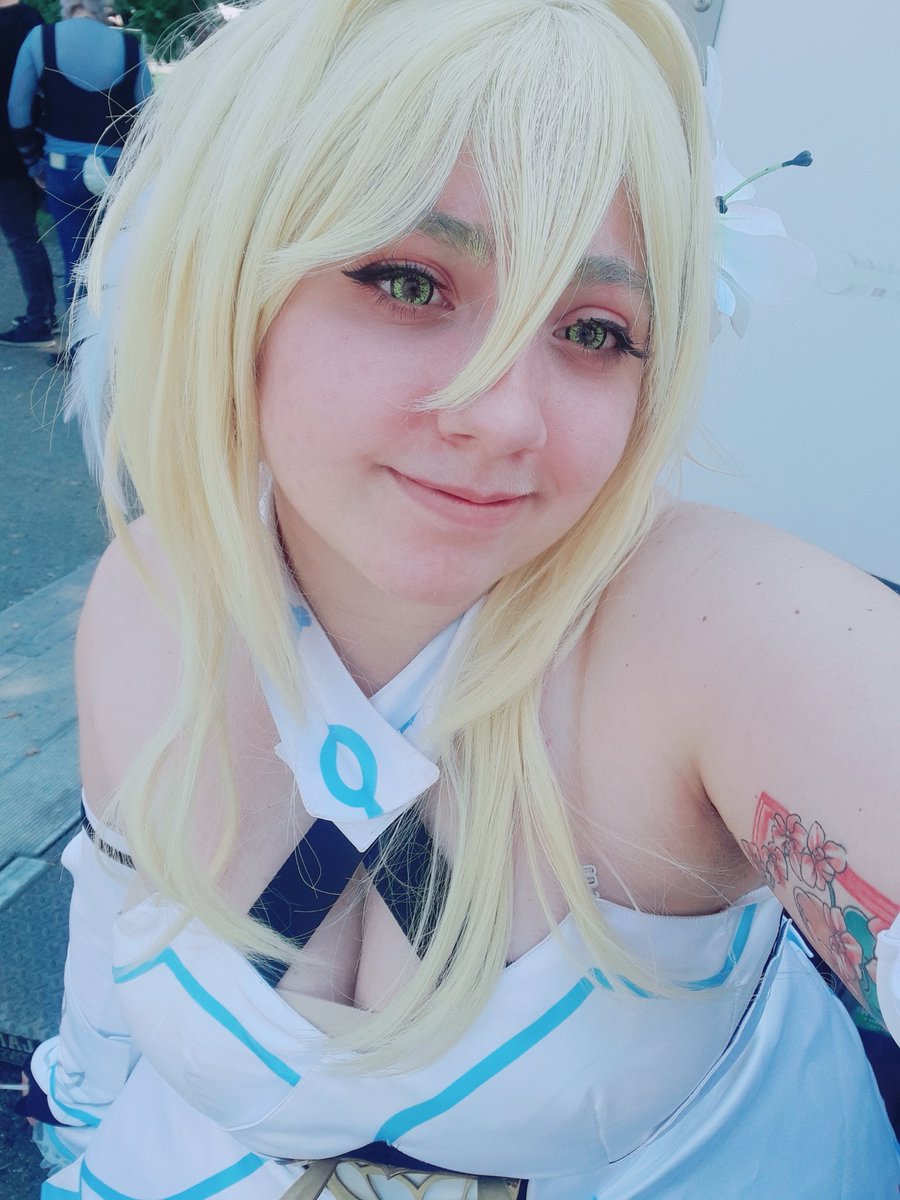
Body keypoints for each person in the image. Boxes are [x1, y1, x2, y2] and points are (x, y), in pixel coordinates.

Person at [16, 0, 900, 1196]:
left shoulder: (714, 633)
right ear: (234, 278)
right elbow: (102, 981)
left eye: (594, 329)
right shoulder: (154, 599)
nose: (504, 414)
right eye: (409, 281)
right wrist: (73, 1134)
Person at [6, 0, 152, 310]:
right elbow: (149, 116)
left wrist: (33, 164)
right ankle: (116, 334)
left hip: (62, 169)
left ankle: (77, 338)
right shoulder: (130, 46)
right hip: (117, 171)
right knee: (117, 264)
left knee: (76, 263)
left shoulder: (40, 39)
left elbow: (17, 110)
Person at [0, 0, 57, 348]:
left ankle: (40, 319)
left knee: (22, 238)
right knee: (36, 236)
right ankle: (48, 313)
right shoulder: (33, 20)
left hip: (6, 152)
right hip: (38, 142)